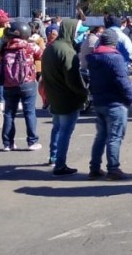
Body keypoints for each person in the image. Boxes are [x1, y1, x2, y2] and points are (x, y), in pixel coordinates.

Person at [86, 29, 132, 180]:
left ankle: (94, 168)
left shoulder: (94, 58)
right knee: (115, 136)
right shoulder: (115, 58)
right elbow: (122, 80)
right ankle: (113, 169)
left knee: (101, 136)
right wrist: (130, 97)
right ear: (114, 42)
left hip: (99, 101)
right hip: (115, 102)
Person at [41, 19, 88, 176]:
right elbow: (73, 80)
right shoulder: (67, 51)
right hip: (67, 99)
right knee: (65, 132)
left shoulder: (51, 47)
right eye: (80, 33)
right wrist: (84, 94)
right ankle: (60, 165)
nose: (82, 36)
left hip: (54, 97)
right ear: (72, 32)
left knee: (57, 128)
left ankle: (54, 156)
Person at [0, 21, 44, 152]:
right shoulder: (29, 46)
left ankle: (8, 143)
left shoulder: (4, 47)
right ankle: (32, 142)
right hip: (27, 82)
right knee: (29, 112)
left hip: (8, 84)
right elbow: (41, 54)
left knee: (9, 113)